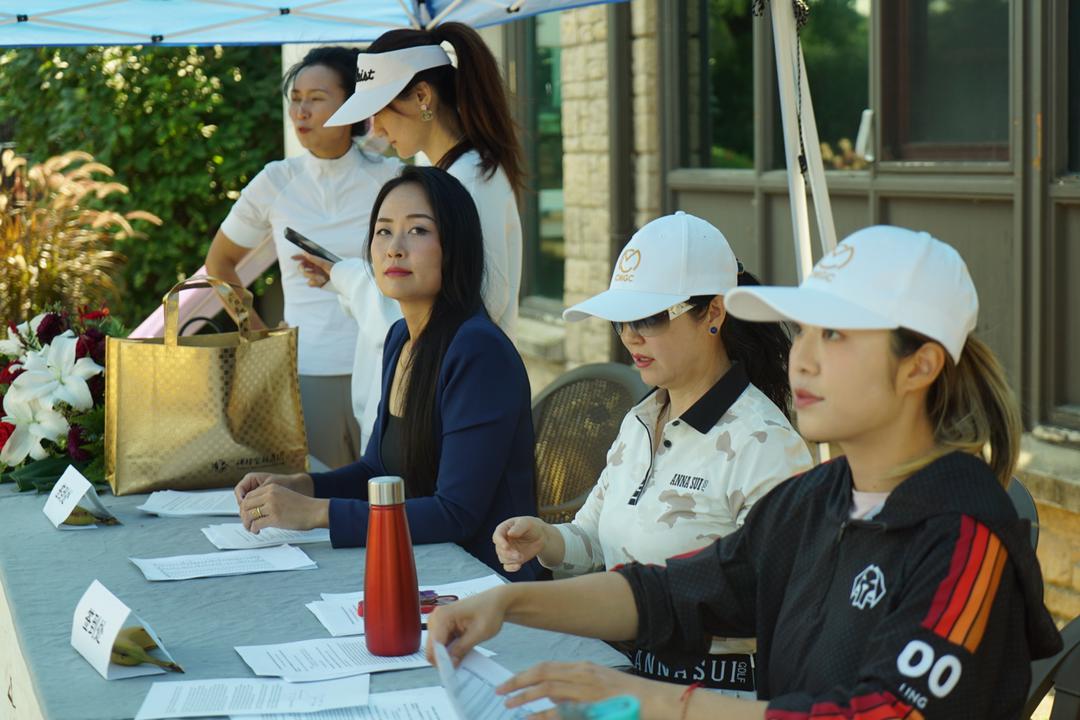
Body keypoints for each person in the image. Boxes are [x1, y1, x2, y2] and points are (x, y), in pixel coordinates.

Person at [426, 226, 1063, 719]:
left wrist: (654, 701)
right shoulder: (818, 498)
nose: (804, 360)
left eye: (836, 335)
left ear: (919, 366)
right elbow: (673, 593)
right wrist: (507, 603)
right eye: (805, 331)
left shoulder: (966, 534)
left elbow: (887, 712)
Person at [491, 211, 812, 697]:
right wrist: (545, 539)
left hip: (711, 695)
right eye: (621, 319)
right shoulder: (640, 418)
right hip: (623, 672)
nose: (630, 336)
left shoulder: (764, 445)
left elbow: (782, 606)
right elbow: (594, 540)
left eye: (651, 317)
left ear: (715, 313)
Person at [233, 166, 539, 580]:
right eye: (383, 231)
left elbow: (456, 513)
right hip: (419, 564)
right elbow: (377, 471)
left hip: (483, 584)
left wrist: (316, 513)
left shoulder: (478, 351)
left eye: (418, 231)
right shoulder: (402, 337)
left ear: (456, 246)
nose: (395, 248)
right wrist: (300, 486)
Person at [204, 46, 401, 468]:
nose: (301, 110)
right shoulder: (276, 180)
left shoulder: (391, 179)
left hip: (386, 364)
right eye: (295, 98)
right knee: (323, 507)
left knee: (390, 500)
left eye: (316, 97)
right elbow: (218, 265)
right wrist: (259, 340)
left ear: (352, 104)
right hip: (305, 373)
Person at [298, 21, 524, 346]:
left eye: (378, 112)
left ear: (421, 97)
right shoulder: (461, 172)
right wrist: (340, 276)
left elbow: (455, 307)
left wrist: (344, 275)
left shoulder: (468, 180)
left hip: (461, 381)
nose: (375, 130)